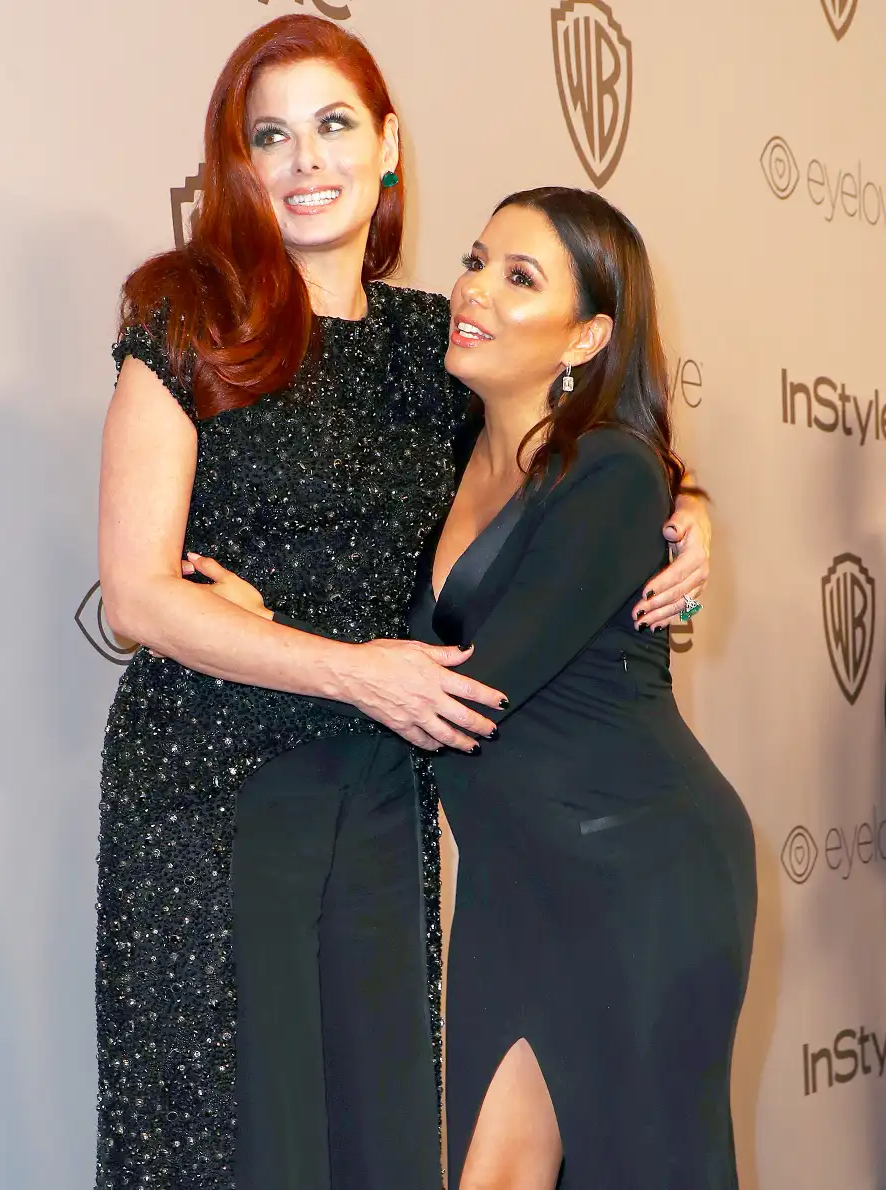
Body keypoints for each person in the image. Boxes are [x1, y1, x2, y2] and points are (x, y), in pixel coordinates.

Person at [96, 13, 713, 1190]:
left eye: (333, 126)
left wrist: (693, 517)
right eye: (268, 135)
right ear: (235, 163)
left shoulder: (438, 344)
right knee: (234, 1144)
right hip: (213, 788)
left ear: (388, 145)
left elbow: (589, 447)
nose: (305, 160)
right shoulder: (188, 316)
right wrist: (346, 663)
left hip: (379, 795)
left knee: (378, 1134)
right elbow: (135, 591)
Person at [406, 188, 757, 1189]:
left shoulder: (608, 472)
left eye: (520, 278)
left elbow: (473, 690)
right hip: (517, 883)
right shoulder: (448, 452)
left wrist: (274, 663)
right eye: (476, 260)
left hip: (636, 872)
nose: (474, 288)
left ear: (588, 333)